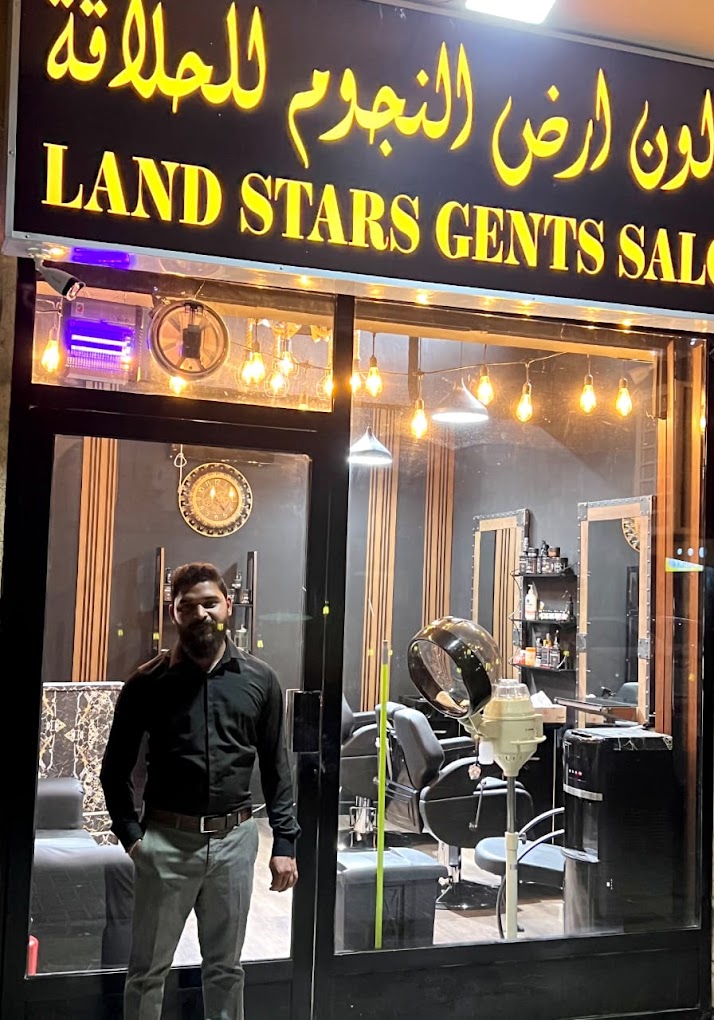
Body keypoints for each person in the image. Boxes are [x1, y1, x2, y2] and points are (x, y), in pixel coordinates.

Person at [100, 562, 299, 1020]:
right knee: (147, 972)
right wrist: (132, 837)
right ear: (174, 613)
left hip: (235, 843)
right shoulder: (146, 683)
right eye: (187, 606)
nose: (200, 614)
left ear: (228, 605)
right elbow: (114, 770)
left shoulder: (260, 679)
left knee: (226, 970)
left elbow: (277, 767)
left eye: (209, 603)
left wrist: (284, 843)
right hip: (165, 844)